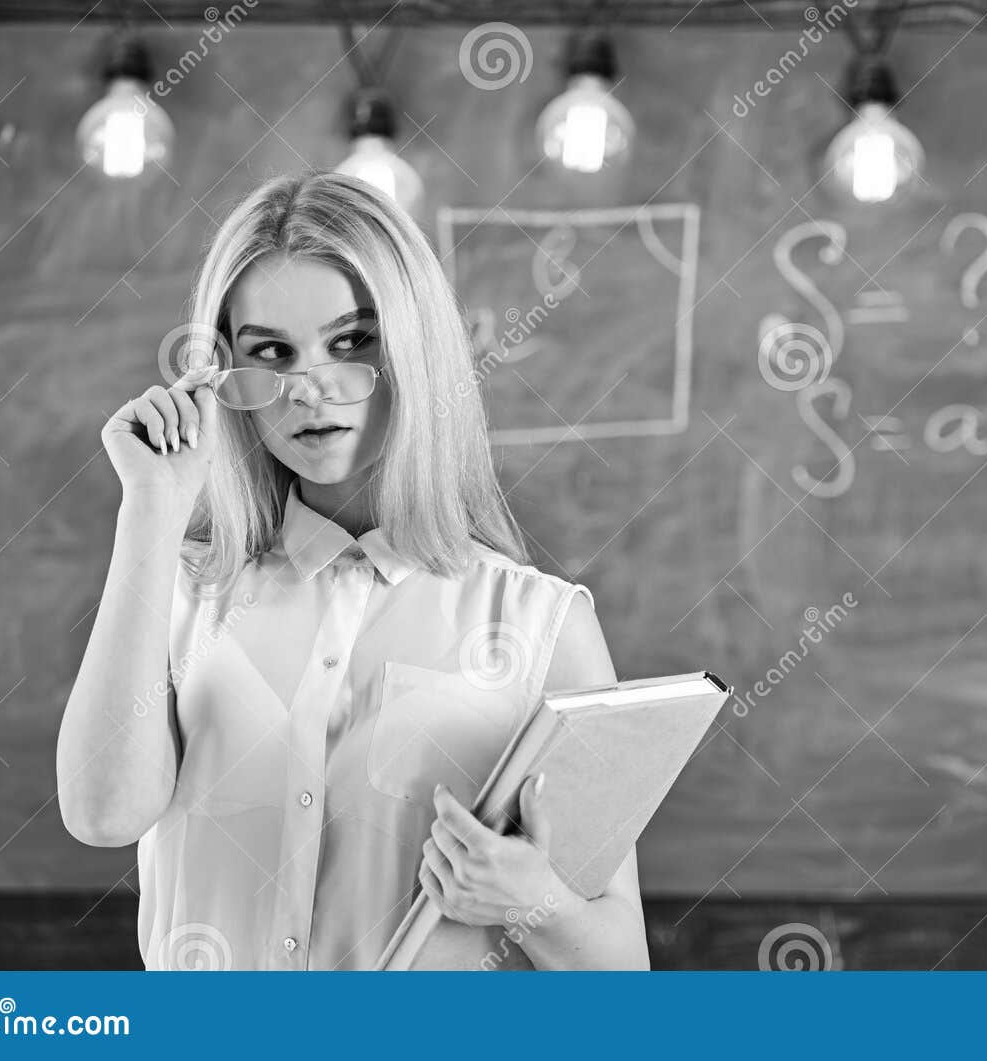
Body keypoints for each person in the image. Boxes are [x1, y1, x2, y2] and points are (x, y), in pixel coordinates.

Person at [55, 171, 648, 971]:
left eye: (351, 342)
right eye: (270, 351)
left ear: (415, 348)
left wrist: (525, 901)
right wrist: (150, 510)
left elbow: (623, 972)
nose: (308, 387)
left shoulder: (543, 626)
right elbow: (101, 812)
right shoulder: (177, 587)